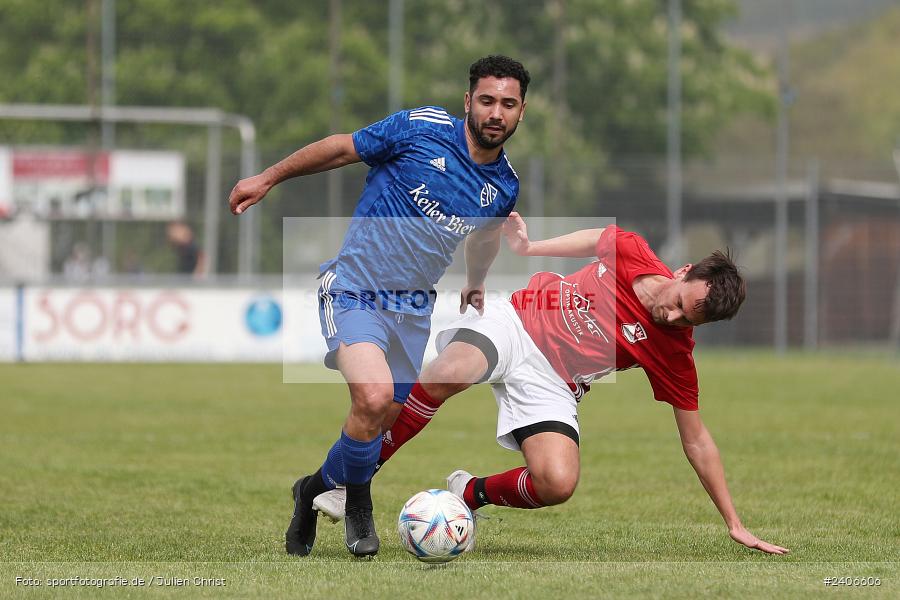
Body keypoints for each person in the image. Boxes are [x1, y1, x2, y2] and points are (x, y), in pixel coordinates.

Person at [315, 212, 790, 555]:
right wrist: (529, 248)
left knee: (558, 482)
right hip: (519, 320)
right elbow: (597, 239)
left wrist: (734, 522)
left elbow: (697, 440)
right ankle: (354, 482)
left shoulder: (675, 352)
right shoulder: (633, 250)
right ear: (684, 271)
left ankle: (469, 494)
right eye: (681, 303)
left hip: (555, 383)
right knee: (449, 373)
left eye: (691, 320)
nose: (675, 316)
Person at [228, 56, 530, 557]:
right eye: (487, 101)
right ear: (468, 102)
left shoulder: (503, 186)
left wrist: (476, 281)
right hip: (355, 287)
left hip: (413, 309)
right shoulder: (421, 128)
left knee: (382, 417)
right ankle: (358, 502)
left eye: (508, 104)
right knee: (371, 398)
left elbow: (485, 235)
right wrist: (268, 178)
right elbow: (342, 148)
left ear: (522, 111)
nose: (496, 112)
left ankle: (310, 490)